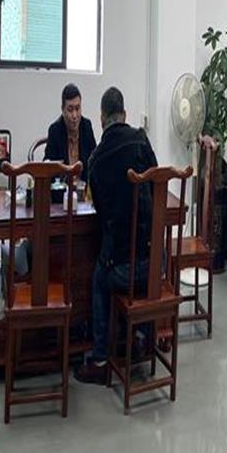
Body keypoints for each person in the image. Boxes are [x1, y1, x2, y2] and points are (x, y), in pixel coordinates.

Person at [75, 86, 157, 384]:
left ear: (101, 118)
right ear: (124, 114)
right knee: (136, 255)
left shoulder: (96, 160)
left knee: (99, 278)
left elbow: (99, 212)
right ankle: (143, 338)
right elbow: (156, 181)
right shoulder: (141, 140)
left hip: (122, 270)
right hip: (154, 264)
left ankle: (100, 358)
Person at [44, 83, 97, 170]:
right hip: (62, 179)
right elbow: (48, 166)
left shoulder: (86, 126)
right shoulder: (55, 130)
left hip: (84, 178)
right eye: (70, 110)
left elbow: (94, 161)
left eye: (77, 108)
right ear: (63, 109)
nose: (74, 115)